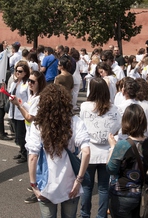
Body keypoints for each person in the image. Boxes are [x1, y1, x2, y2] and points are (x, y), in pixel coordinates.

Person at [26, 84, 90, 218]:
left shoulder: (38, 125)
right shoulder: (75, 121)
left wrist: (34, 185)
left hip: (46, 184)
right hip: (71, 183)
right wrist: (79, 181)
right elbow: (86, 152)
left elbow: (33, 156)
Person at [79, 78, 122, 218]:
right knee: (104, 187)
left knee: (86, 186)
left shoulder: (85, 106)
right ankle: (101, 215)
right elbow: (117, 127)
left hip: (89, 150)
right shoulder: (114, 108)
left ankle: (85, 214)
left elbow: (82, 125)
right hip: (107, 151)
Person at [106, 104, 148, 218]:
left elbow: (111, 169)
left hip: (121, 193)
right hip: (139, 192)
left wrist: (112, 147)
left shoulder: (123, 145)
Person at [10, 71, 46, 204]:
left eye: (33, 81)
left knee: (35, 161)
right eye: (29, 81)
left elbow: (30, 117)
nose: (29, 83)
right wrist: (21, 103)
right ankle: (37, 185)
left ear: (39, 83)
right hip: (31, 132)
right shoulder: (33, 96)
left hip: (36, 134)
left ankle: (37, 188)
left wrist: (18, 105)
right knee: (37, 163)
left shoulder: (39, 98)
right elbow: (30, 110)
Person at [8, 61, 30, 164]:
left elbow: (29, 99)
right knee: (17, 134)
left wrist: (21, 104)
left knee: (22, 134)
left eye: (20, 71)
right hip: (13, 111)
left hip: (22, 112)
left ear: (25, 72)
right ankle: (21, 150)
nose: (17, 73)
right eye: (16, 70)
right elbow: (11, 93)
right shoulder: (14, 83)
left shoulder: (27, 84)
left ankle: (25, 153)